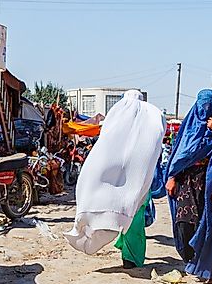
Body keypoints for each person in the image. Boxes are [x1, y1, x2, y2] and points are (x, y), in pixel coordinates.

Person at [64, 90, 165, 268]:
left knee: (124, 212)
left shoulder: (117, 116)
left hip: (118, 176)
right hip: (140, 179)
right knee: (135, 217)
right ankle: (131, 256)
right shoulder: (152, 119)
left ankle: (129, 256)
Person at [165, 89, 212, 283]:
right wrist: (172, 176)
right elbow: (178, 156)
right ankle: (191, 260)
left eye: (209, 104)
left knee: (207, 224)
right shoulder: (188, 128)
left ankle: (205, 265)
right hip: (186, 181)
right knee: (184, 223)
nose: (205, 108)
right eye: (202, 103)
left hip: (210, 182)